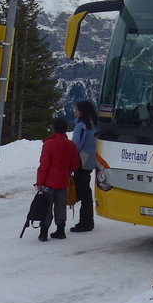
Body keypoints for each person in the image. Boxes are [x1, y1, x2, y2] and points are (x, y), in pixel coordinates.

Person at [35, 117, 80, 242]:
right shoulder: (71, 145)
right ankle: (60, 231)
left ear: (54, 129)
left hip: (48, 182)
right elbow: (75, 164)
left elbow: (43, 166)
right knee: (61, 206)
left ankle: (43, 233)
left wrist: (39, 183)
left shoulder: (48, 144)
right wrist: (67, 172)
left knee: (46, 207)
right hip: (63, 181)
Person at [69, 100, 97, 233]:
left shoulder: (81, 125)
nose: (75, 112)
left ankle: (85, 222)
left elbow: (75, 145)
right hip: (90, 160)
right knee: (86, 191)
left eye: (77, 110)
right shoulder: (94, 123)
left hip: (81, 160)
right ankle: (88, 220)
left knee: (83, 191)